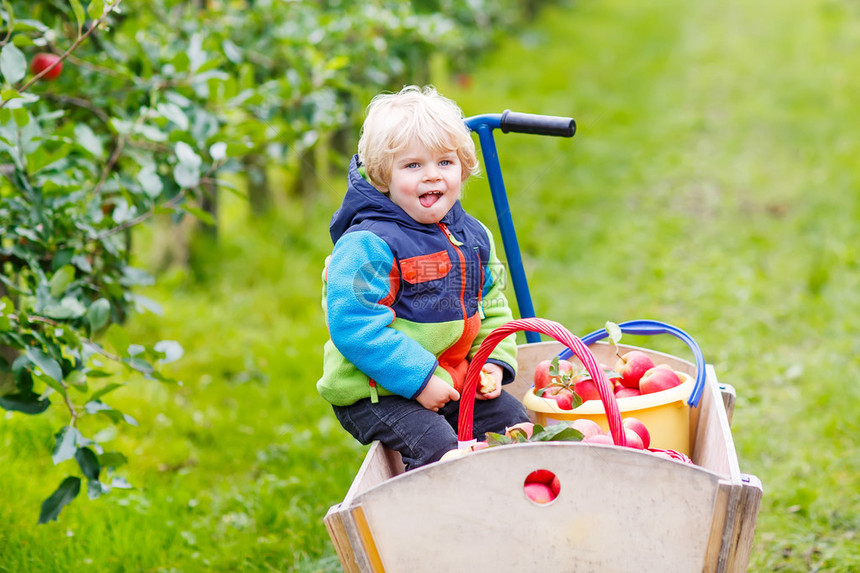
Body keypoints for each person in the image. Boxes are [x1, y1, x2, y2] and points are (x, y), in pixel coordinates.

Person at [317, 85, 529, 470]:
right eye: (413, 166)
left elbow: (493, 304)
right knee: (439, 450)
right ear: (383, 177)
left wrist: (491, 362)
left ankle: (512, 501)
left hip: (448, 377)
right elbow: (354, 326)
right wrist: (421, 379)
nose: (432, 176)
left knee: (513, 424)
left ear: (463, 169)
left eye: (445, 163)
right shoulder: (369, 244)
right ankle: (440, 518)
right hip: (378, 390)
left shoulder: (473, 236)